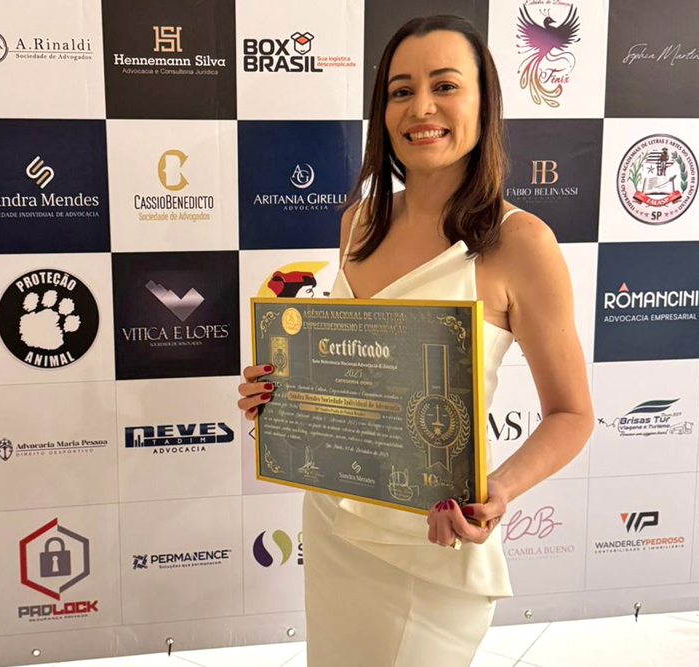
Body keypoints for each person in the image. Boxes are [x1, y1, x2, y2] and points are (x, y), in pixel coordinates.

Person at [237, 15, 593, 667]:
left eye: (445, 85)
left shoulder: (521, 243)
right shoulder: (358, 222)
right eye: (401, 91)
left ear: (484, 103)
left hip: (433, 541)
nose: (421, 107)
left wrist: (499, 489)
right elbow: (352, 373)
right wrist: (282, 397)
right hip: (334, 522)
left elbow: (572, 414)